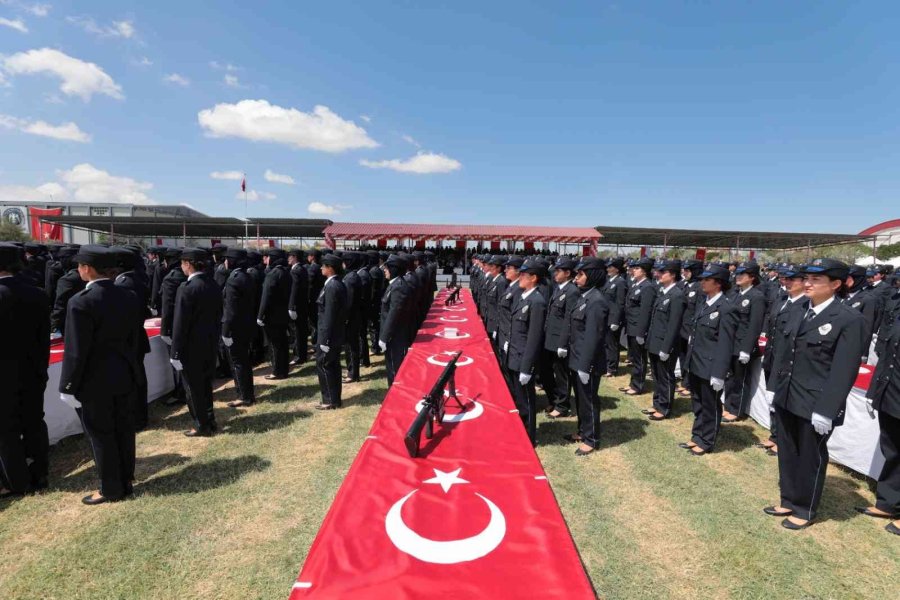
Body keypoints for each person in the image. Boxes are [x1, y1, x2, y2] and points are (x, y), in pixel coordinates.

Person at [763, 258, 862, 529]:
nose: (808, 283)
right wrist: (773, 388)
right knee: (787, 450)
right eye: (807, 278)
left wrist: (827, 409)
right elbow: (784, 354)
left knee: (809, 455)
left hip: (814, 400)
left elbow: (844, 369)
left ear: (836, 284)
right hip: (787, 394)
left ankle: (804, 508)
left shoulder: (848, 319)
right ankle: (788, 498)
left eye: (816, 280)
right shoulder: (799, 310)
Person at [58, 245, 142, 504]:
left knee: (101, 435)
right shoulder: (127, 295)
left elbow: (75, 351)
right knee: (123, 431)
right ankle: (126, 479)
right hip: (125, 373)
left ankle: (110, 488)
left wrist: (68, 385)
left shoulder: (81, 302)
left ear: (88, 269)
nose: (79, 270)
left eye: (81, 266)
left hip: (95, 381)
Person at [0, 244, 51, 497]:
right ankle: (40, 473)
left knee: (6, 430)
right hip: (33, 370)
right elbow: (45, 337)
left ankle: (15, 482)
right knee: (34, 422)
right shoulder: (37, 294)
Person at [682, 264, 736, 456]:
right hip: (696, 362)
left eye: (707, 279)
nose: (702, 282)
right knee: (697, 402)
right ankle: (697, 435)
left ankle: (707, 440)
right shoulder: (705, 302)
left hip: (711, 365)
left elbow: (725, 343)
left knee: (710, 405)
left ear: (719, 283)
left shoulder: (726, 308)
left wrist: (719, 373)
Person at [171, 248, 223, 437]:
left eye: (183, 263)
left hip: (191, 347)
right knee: (206, 386)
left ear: (189, 264)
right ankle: (210, 419)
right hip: (209, 343)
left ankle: (202, 425)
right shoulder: (213, 284)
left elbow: (180, 324)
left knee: (192, 389)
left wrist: (175, 352)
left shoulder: (187, 288)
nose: (182, 267)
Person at [758, 264, 807, 457]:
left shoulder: (803, 306)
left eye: (791, 279)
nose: (786, 282)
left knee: (783, 400)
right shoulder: (782, 300)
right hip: (772, 356)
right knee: (773, 400)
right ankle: (774, 434)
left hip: (786, 361)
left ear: (803, 282)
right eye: (785, 279)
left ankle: (782, 440)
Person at [563, 257, 609, 456]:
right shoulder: (585, 296)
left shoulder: (597, 301)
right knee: (580, 399)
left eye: (581, 274)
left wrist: (585, 365)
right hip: (576, 357)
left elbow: (593, 336)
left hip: (586, 361)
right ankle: (583, 431)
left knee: (588, 399)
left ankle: (591, 439)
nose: (576, 278)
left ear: (592, 276)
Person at [862, 297, 900, 536]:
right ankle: (889, 503)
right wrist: (876, 390)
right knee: (893, 449)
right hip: (893, 391)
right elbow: (888, 354)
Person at [504, 259, 547, 445]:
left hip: (523, 359)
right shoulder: (523, 296)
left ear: (534, 278)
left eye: (523, 275)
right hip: (514, 355)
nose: (519, 278)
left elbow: (534, 337)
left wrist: (527, 367)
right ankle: (519, 431)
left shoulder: (537, 301)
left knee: (527, 401)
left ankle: (529, 438)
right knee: (518, 399)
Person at [722, 262, 766, 422]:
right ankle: (728, 406)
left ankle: (736, 410)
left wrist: (746, 349)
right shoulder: (735, 294)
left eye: (743, 274)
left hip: (742, 345)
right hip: (730, 343)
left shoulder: (757, 297)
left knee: (740, 379)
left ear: (752, 278)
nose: (738, 277)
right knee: (729, 377)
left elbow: (754, 326)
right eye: (738, 273)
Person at [645, 260, 686, 421]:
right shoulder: (664, 292)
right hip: (655, 341)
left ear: (673, 275)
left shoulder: (677, 296)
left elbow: (674, 325)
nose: (658, 274)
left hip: (665, 344)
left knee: (665, 376)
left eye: (663, 272)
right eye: (658, 272)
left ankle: (664, 407)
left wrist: (666, 347)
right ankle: (657, 403)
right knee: (656, 375)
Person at [542, 257, 579, 418]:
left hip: (560, 341)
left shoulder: (572, 291)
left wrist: (563, 344)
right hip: (550, 338)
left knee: (562, 374)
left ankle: (563, 406)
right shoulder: (559, 288)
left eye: (558, 271)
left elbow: (569, 320)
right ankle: (554, 399)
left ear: (568, 273)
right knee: (547, 371)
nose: (555, 273)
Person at [221, 248, 257, 407]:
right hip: (246, 325)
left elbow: (231, 310)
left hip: (235, 328)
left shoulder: (233, 279)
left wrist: (226, 331)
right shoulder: (247, 276)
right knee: (244, 361)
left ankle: (244, 395)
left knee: (237, 362)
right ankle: (247, 393)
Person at [316, 254, 348, 409]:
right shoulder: (334, 284)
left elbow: (330, 315)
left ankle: (330, 400)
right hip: (332, 334)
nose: (321, 268)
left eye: (323, 265)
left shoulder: (332, 286)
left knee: (325, 365)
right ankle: (333, 398)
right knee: (332, 365)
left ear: (330, 268)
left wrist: (325, 339)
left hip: (329, 335)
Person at [622, 257, 656, 396]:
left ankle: (638, 385)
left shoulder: (647, 287)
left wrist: (641, 333)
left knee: (639, 359)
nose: (633, 270)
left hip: (638, 328)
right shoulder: (636, 284)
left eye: (637, 269)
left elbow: (645, 312)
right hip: (631, 326)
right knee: (635, 357)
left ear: (644, 271)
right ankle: (633, 382)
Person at [257, 248, 292, 380]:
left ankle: (277, 371)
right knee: (282, 343)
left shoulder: (273, 274)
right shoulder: (286, 273)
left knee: (274, 345)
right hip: (283, 314)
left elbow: (266, 296)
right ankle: (284, 370)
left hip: (272, 315)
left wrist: (260, 315)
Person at [378, 255, 411, 386]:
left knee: (395, 369)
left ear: (394, 269)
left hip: (395, 336)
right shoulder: (394, 284)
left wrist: (384, 337)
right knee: (391, 367)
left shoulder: (399, 286)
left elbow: (394, 313)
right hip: (393, 335)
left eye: (387, 268)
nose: (385, 270)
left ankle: (395, 398)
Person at [675, 259, 703, 397]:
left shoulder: (699, 287)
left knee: (690, 357)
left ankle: (689, 384)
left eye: (688, 270)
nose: (685, 273)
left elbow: (698, 309)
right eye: (684, 270)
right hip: (681, 327)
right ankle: (684, 381)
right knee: (682, 356)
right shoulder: (682, 284)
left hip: (690, 328)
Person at [843, 265, 880, 362]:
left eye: (848, 277)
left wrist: (863, 354)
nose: (844, 280)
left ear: (857, 279)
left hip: (853, 347)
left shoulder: (868, 299)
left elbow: (867, 329)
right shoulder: (840, 296)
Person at [601, 257, 627, 377]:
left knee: (612, 344)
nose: (608, 269)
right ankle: (606, 364)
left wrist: (616, 320)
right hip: (605, 317)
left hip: (613, 318)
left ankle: (612, 368)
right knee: (606, 343)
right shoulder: (609, 280)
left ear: (617, 269)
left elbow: (620, 303)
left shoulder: (620, 282)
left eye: (611, 267)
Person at [341, 252, 363, 383]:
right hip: (354, 316)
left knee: (351, 346)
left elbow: (349, 301)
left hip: (351, 318)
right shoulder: (353, 276)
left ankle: (353, 373)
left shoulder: (350, 278)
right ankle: (352, 370)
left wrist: (345, 318)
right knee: (351, 345)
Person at [287, 249, 310, 366]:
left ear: (294, 257)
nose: (288, 259)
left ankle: (299, 356)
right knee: (301, 331)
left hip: (297, 306)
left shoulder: (296, 270)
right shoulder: (303, 268)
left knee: (298, 332)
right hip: (303, 305)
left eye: (290, 256)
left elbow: (294, 290)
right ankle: (302, 355)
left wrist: (291, 306)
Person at [367, 251, 386, 355]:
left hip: (375, 302)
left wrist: (370, 302)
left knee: (373, 326)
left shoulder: (374, 271)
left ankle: (375, 348)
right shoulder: (377, 269)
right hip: (378, 301)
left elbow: (373, 290)